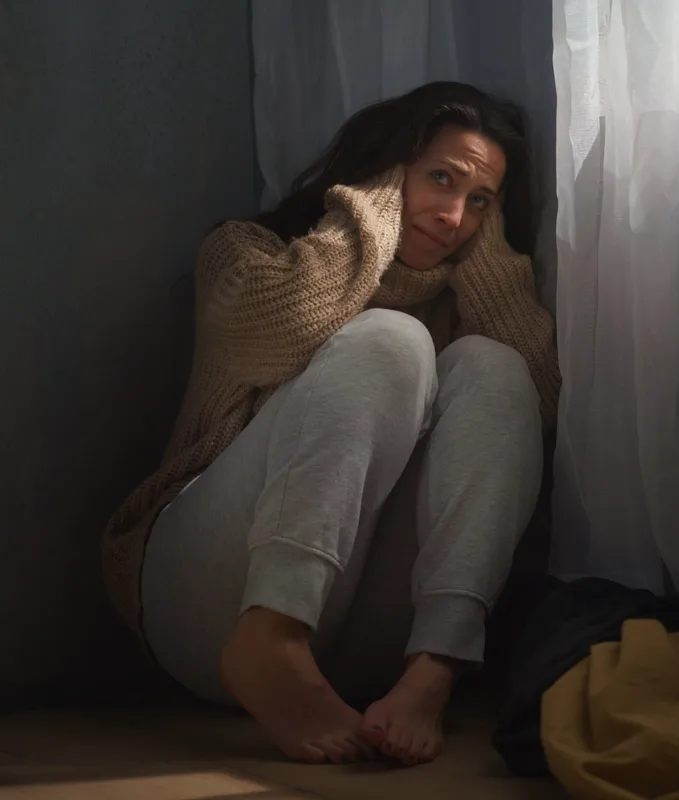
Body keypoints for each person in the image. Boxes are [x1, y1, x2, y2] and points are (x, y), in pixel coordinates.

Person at [101, 81, 560, 767]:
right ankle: (271, 636)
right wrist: (374, 212)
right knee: (390, 340)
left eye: (480, 203)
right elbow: (276, 329)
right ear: (384, 166)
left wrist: (485, 251)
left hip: (360, 649)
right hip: (201, 599)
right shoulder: (245, 251)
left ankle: (433, 673)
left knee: (497, 369)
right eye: (441, 177)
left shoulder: (466, 295)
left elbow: (541, 405)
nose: (454, 215)